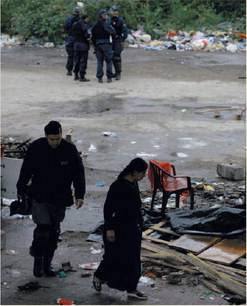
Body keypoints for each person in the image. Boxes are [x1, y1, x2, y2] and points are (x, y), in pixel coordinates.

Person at [16, 121, 86, 277]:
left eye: (57, 139)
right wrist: (21, 189)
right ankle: (38, 260)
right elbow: (26, 170)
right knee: (43, 229)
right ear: (46, 136)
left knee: (54, 232)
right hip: (39, 195)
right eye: (51, 139)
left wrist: (80, 195)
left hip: (60, 197)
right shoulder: (36, 148)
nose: (54, 142)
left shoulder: (69, 149)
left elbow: (78, 173)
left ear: (61, 135)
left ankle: (47, 264)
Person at [93, 158, 148, 300]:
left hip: (132, 228)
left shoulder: (133, 183)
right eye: (142, 173)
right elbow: (108, 209)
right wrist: (110, 229)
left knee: (133, 259)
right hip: (118, 229)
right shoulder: (118, 187)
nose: (143, 176)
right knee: (113, 257)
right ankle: (99, 276)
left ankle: (131, 288)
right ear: (135, 172)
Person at [91, 9, 116, 83]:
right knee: (108, 61)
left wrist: (95, 46)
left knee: (100, 62)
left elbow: (93, 37)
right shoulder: (107, 24)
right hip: (106, 44)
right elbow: (113, 32)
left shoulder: (95, 25)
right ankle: (109, 77)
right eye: (105, 15)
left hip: (98, 45)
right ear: (102, 16)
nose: (107, 16)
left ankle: (100, 78)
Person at [109, 5, 128, 80]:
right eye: (112, 11)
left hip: (118, 40)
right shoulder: (110, 20)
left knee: (117, 57)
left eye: (114, 11)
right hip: (111, 40)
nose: (112, 12)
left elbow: (125, 31)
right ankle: (116, 72)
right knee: (112, 57)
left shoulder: (120, 20)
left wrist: (122, 40)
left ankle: (118, 73)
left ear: (116, 12)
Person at [72, 14, 91, 82]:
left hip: (76, 44)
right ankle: (82, 76)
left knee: (76, 60)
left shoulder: (75, 24)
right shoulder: (85, 25)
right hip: (83, 45)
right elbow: (87, 35)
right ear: (86, 18)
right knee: (83, 61)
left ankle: (76, 75)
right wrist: (89, 38)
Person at [64, 7, 81, 76]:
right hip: (76, 39)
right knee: (77, 56)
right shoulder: (80, 20)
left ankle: (69, 70)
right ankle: (75, 71)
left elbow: (66, 28)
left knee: (71, 56)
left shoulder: (69, 19)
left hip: (71, 38)